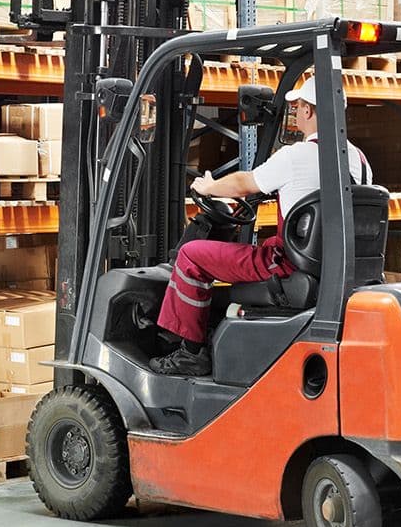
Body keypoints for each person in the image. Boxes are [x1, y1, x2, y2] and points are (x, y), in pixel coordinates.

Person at [148, 78, 372, 377]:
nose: (296, 113)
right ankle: (210, 330)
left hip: (286, 266)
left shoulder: (295, 156)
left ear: (307, 111)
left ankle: (190, 353)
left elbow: (244, 182)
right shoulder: (359, 160)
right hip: (336, 269)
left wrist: (209, 186)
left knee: (191, 255)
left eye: (298, 108)